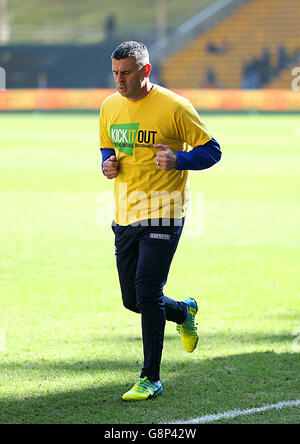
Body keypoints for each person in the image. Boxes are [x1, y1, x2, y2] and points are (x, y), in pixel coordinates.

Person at [99, 41, 222, 401]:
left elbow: (212, 150)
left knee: (148, 290)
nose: (120, 81)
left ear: (145, 71)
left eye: (127, 73)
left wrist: (179, 160)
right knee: (133, 300)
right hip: (125, 213)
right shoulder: (109, 106)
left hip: (165, 210)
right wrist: (107, 163)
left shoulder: (175, 106)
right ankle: (184, 311)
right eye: (116, 73)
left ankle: (150, 377)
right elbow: (108, 146)